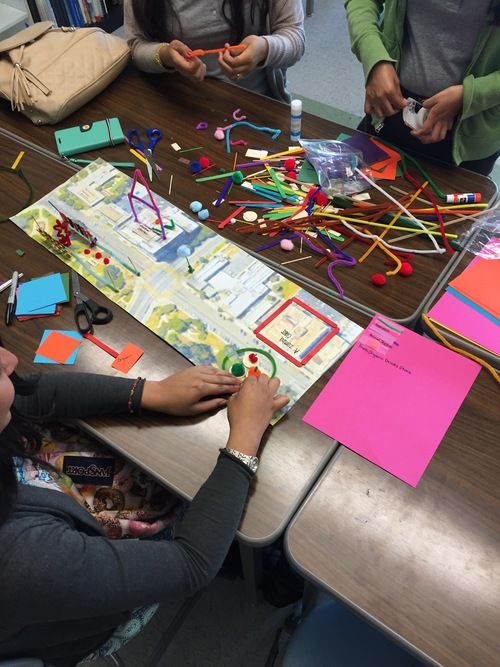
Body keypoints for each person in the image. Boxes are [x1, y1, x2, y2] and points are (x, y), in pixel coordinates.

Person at [0, 343, 288, 664]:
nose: (10, 359)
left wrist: (153, 393)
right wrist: (246, 436)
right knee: (182, 495)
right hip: (83, 621)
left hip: (49, 503)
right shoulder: (25, 556)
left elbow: (29, 392)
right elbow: (192, 564)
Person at [344, 0, 500, 175]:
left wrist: (471, 96)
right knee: (347, 192)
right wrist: (373, 58)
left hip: (469, 133)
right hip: (389, 108)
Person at [124, 0, 305, 102]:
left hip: (255, 102)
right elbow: (136, 46)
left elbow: (295, 38)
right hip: (180, 103)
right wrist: (164, 55)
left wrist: (264, 48)